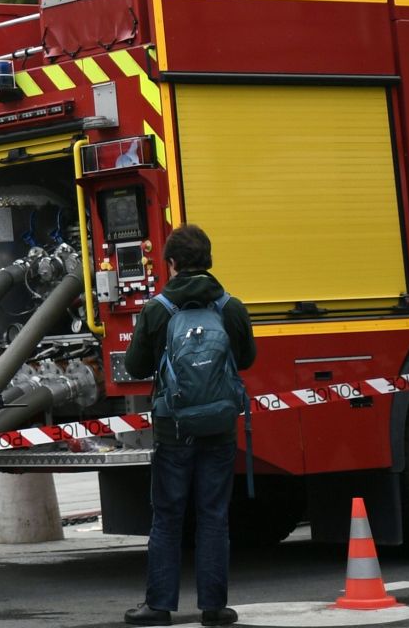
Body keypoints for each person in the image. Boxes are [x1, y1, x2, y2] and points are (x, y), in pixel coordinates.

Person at [118, 224, 255, 628]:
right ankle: (215, 608)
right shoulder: (230, 306)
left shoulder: (158, 309)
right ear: (209, 261)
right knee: (213, 513)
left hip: (172, 425)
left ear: (172, 264)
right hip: (219, 425)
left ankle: (159, 607)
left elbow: (135, 366)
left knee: (167, 515)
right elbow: (246, 358)